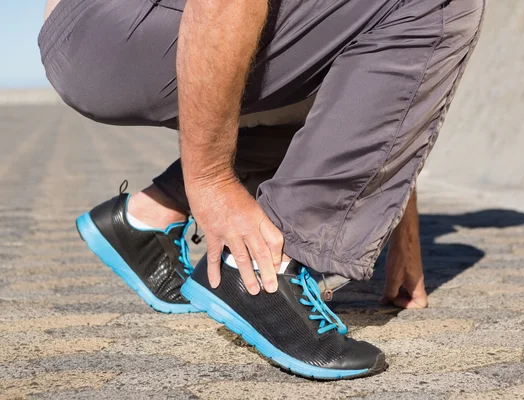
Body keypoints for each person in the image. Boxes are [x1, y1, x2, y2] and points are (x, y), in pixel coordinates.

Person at [39, 0, 485, 379]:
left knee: (345, 53)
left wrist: (402, 233)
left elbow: (380, 94)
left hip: (95, 25)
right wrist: (210, 183)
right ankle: (264, 272)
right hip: (124, 27)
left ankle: (148, 216)